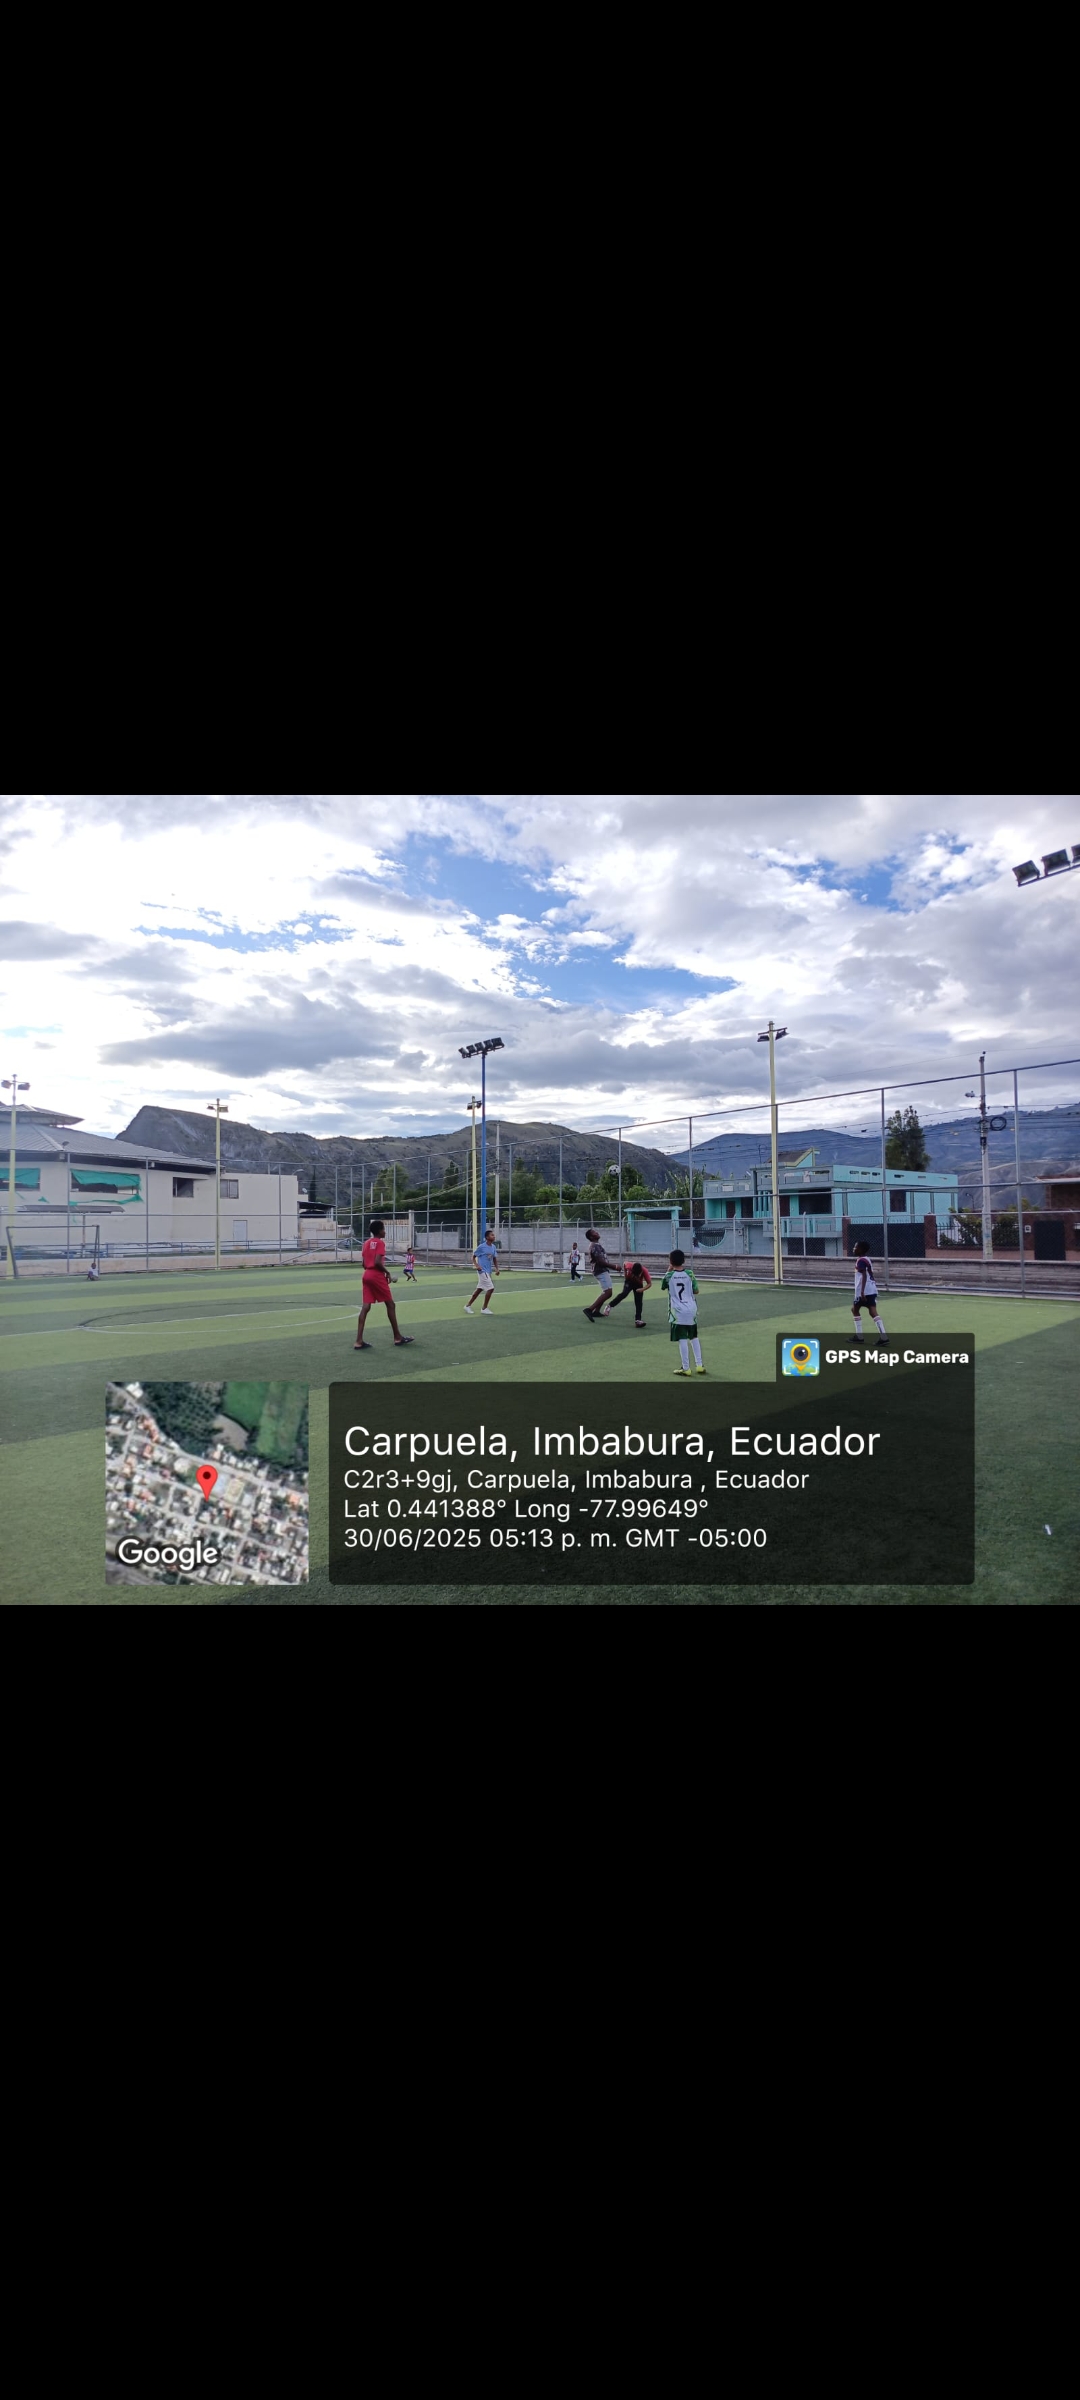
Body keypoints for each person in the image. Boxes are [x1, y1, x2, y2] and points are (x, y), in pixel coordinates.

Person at [354, 1218, 414, 1350]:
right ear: (379, 1231)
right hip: (376, 1275)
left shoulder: (366, 1243)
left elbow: (364, 1264)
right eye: (383, 1229)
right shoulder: (380, 1243)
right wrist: (387, 1272)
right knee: (390, 1305)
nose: (385, 1232)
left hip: (366, 1275)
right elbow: (377, 1262)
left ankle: (358, 1341)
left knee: (365, 1307)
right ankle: (397, 1337)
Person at [662, 1248, 704, 1374]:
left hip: (677, 1312)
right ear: (684, 1260)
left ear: (670, 1261)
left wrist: (669, 1270)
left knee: (682, 1338)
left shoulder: (669, 1276)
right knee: (694, 1337)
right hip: (691, 1309)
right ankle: (699, 1365)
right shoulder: (690, 1274)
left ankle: (686, 1368)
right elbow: (696, 1291)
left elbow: (663, 1286)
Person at [851, 1242, 889, 1345]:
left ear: (861, 1249)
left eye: (856, 1247)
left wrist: (862, 1292)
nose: (854, 1249)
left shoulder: (861, 1261)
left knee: (855, 1310)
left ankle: (859, 1336)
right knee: (872, 1312)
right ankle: (884, 1337)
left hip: (864, 1291)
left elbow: (864, 1275)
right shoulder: (866, 1259)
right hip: (872, 1289)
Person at [582, 1228, 616, 1321]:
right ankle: (589, 1309)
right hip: (600, 1270)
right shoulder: (594, 1246)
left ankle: (596, 1311)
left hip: (601, 1270)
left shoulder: (596, 1245)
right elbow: (600, 1261)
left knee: (606, 1291)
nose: (597, 1232)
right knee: (608, 1293)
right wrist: (614, 1266)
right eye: (594, 1232)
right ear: (591, 1237)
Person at [607, 1257, 652, 1326]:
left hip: (638, 1284)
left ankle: (638, 1320)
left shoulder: (645, 1271)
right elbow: (624, 1263)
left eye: (637, 1275)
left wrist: (642, 1289)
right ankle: (609, 1306)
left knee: (639, 1301)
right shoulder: (629, 1265)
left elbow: (649, 1284)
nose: (636, 1276)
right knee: (624, 1294)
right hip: (629, 1281)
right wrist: (625, 1273)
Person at [465, 1228, 500, 1315]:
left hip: (488, 1271)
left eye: (494, 1235)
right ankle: (484, 1308)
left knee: (479, 1289)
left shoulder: (493, 1247)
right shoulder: (481, 1247)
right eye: (492, 1235)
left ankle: (467, 1306)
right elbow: (473, 1257)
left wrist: (497, 1268)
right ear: (487, 1237)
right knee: (491, 1288)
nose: (494, 1236)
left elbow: (494, 1258)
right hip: (482, 1271)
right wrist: (477, 1265)